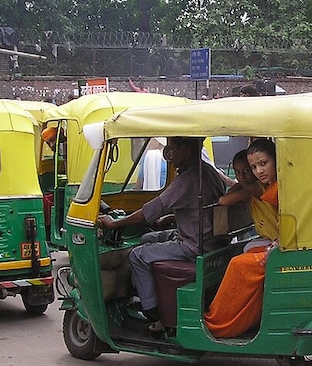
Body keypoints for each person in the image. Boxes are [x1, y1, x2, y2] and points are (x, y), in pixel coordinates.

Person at [97, 136, 227, 333]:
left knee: (136, 255)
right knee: (147, 238)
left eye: (173, 148)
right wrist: (169, 218)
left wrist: (116, 223)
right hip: (210, 239)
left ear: (187, 150)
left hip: (193, 246)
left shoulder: (186, 179)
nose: (170, 154)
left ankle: (153, 312)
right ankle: (149, 292)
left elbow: (149, 212)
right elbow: (194, 208)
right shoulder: (208, 170)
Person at [203, 138, 279, 338]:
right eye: (254, 167)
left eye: (263, 164)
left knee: (237, 264)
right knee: (245, 249)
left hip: (281, 245)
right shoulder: (266, 184)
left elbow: (224, 200)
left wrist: (237, 186)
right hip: (273, 241)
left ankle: (218, 321)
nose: (258, 172)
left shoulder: (262, 187)